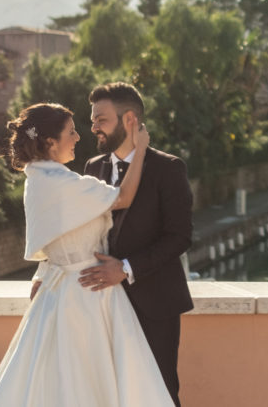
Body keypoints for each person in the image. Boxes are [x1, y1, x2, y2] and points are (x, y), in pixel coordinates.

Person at [0, 103, 175, 406]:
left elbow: (55, 236)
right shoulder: (61, 182)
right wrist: (142, 150)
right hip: (87, 294)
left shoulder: (39, 180)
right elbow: (122, 197)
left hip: (61, 294)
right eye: (71, 132)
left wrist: (43, 272)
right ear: (50, 142)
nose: (78, 137)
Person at [78, 82, 194, 406]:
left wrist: (126, 269)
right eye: (93, 120)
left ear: (129, 119)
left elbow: (180, 236)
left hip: (154, 302)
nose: (93, 127)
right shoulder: (92, 168)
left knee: (159, 392)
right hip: (101, 304)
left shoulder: (169, 168)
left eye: (101, 119)